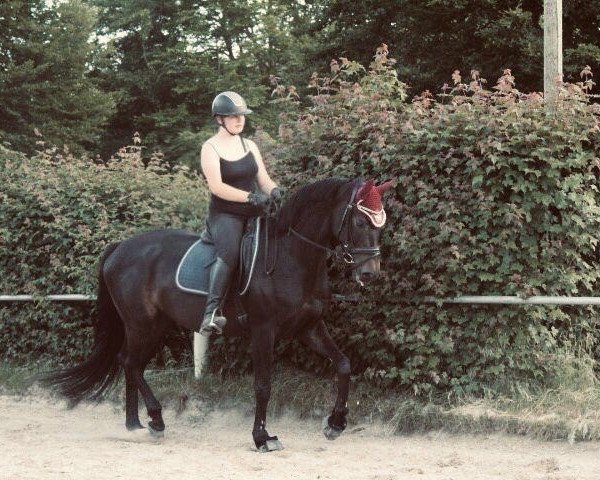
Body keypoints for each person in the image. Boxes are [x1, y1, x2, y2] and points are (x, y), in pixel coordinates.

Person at [199, 91, 281, 336]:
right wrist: (249, 197)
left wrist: (274, 190)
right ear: (219, 119)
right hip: (226, 215)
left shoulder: (249, 145)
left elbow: (263, 179)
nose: (239, 120)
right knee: (230, 253)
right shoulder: (210, 148)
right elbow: (217, 187)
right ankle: (211, 313)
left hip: (255, 211)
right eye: (233, 116)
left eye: (242, 116)